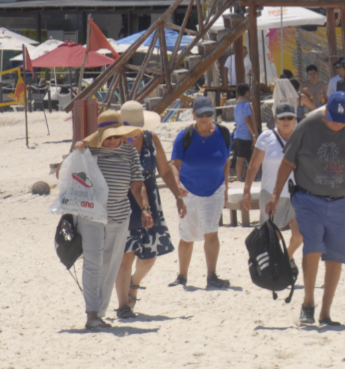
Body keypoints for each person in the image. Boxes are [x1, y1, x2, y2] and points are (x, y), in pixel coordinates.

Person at [267, 91, 345, 327]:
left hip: (344, 201)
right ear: (325, 110)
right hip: (309, 199)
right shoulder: (307, 127)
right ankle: (308, 303)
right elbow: (288, 162)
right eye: (333, 119)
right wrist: (276, 194)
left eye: (343, 120)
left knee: (336, 255)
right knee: (313, 246)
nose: (338, 124)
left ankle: (325, 313)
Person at [71, 111, 149, 331]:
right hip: (91, 215)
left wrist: (145, 209)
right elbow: (63, 174)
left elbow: (136, 184)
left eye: (117, 136)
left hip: (120, 215)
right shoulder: (88, 150)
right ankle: (91, 315)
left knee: (111, 265)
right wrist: (75, 151)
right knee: (93, 263)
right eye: (108, 137)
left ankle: (100, 313)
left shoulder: (130, 152)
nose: (113, 140)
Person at [114, 102, 184, 322]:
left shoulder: (150, 139)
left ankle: (133, 284)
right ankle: (123, 305)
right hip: (123, 202)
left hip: (150, 203)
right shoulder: (114, 142)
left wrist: (178, 196)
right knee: (126, 255)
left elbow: (164, 170)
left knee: (150, 255)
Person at [169, 96, 232, 290]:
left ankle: (212, 276)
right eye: (200, 114)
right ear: (193, 114)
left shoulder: (223, 133)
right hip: (189, 191)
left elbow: (226, 161)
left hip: (215, 189)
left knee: (211, 232)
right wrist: (177, 188)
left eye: (208, 114)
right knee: (187, 236)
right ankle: (182, 276)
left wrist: (226, 187)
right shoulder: (184, 136)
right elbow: (174, 165)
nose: (205, 118)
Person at [243, 100, 304, 262]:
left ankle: (286, 259)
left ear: (295, 119)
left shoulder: (301, 138)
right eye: (282, 118)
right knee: (273, 238)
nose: (286, 121)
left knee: (299, 235)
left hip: (295, 196)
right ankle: (273, 268)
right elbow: (253, 167)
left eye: (290, 117)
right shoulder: (266, 137)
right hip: (270, 195)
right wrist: (247, 191)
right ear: (275, 119)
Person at [232, 83, 256, 183]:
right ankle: (239, 178)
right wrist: (254, 134)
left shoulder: (237, 105)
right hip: (244, 135)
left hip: (238, 134)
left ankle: (240, 177)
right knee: (242, 158)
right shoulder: (246, 105)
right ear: (247, 93)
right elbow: (248, 121)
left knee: (241, 157)